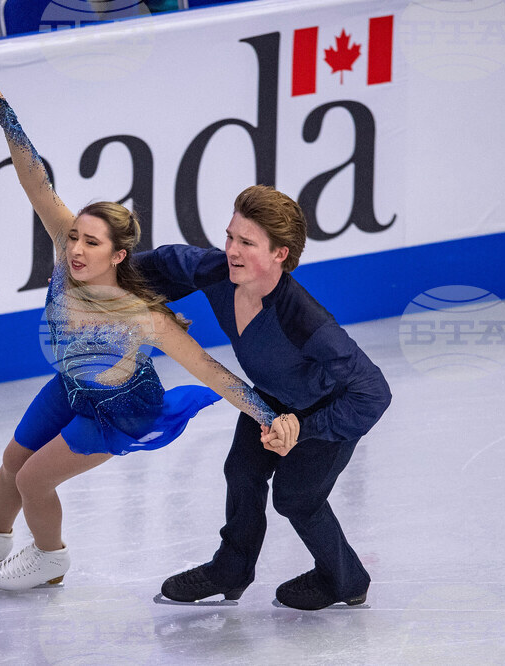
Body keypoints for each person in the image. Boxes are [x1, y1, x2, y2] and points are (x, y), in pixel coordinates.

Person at [0, 69, 292, 591]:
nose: (76, 248)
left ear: (117, 256)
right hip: (74, 384)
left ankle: (50, 559)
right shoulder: (65, 255)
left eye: (91, 243)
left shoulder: (141, 317)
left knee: (33, 479)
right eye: (73, 236)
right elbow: (36, 182)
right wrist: (5, 118)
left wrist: (269, 416)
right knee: (11, 462)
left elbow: (211, 372)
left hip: (121, 409)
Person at [133, 186, 392, 610]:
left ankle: (346, 579)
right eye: (230, 236)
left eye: (246, 243)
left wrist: (302, 428)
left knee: (296, 499)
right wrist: (102, 278)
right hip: (272, 397)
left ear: (279, 254)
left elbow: (373, 392)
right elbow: (165, 263)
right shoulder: (219, 271)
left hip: (327, 409)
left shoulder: (306, 320)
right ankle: (231, 569)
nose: (231, 250)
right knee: (241, 471)